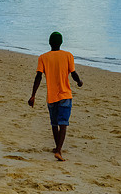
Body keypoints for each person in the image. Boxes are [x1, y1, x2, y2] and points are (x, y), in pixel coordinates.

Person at [25, 32, 83, 161]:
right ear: (61, 43)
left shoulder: (43, 58)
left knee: (54, 123)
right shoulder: (68, 56)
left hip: (51, 96)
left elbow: (38, 77)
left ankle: (58, 148)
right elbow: (73, 73)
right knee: (63, 123)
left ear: (49, 43)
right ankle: (58, 150)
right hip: (65, 94)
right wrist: (79, 82)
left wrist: (33, 95)